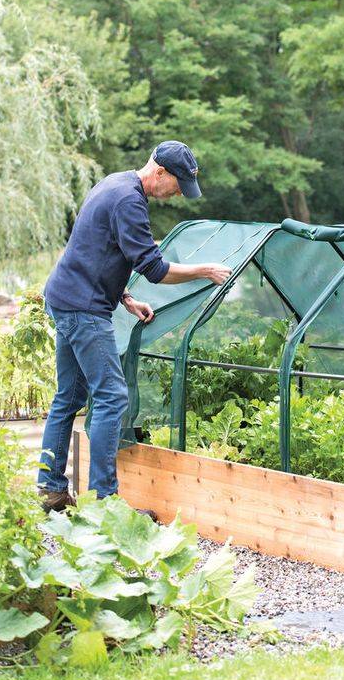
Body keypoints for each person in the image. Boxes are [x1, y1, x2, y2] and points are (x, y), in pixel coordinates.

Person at [38, 141, 231, 511]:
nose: (176, 194)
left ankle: (50, 489)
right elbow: (155, 269)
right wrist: (204, 270)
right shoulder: (130, 201)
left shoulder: (115, 183)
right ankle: (104, 503)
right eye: (176, 185)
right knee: (111, 396)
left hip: (63, 297)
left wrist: (125, 297)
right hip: (83, 309)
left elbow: (96, 250)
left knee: (69, 397)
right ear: (159, 172)